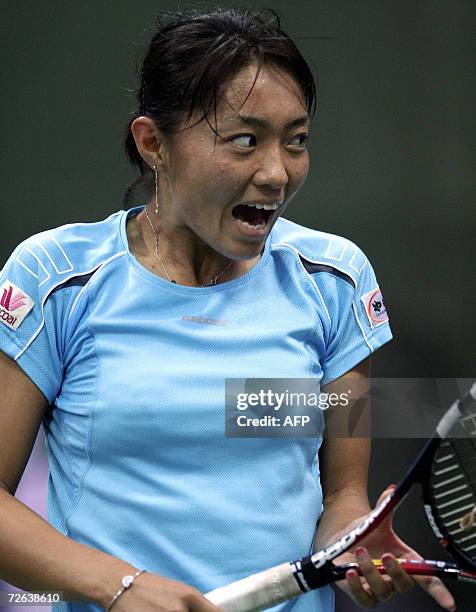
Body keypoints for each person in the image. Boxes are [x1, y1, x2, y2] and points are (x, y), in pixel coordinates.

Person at [0, 7, 457, 612]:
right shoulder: (55, 279)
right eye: (244, 141)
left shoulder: (336, 281)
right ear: (153, 143)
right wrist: (117, 586)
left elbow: (343, 495)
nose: (277, 173)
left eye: (296, 141)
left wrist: (349, 542)